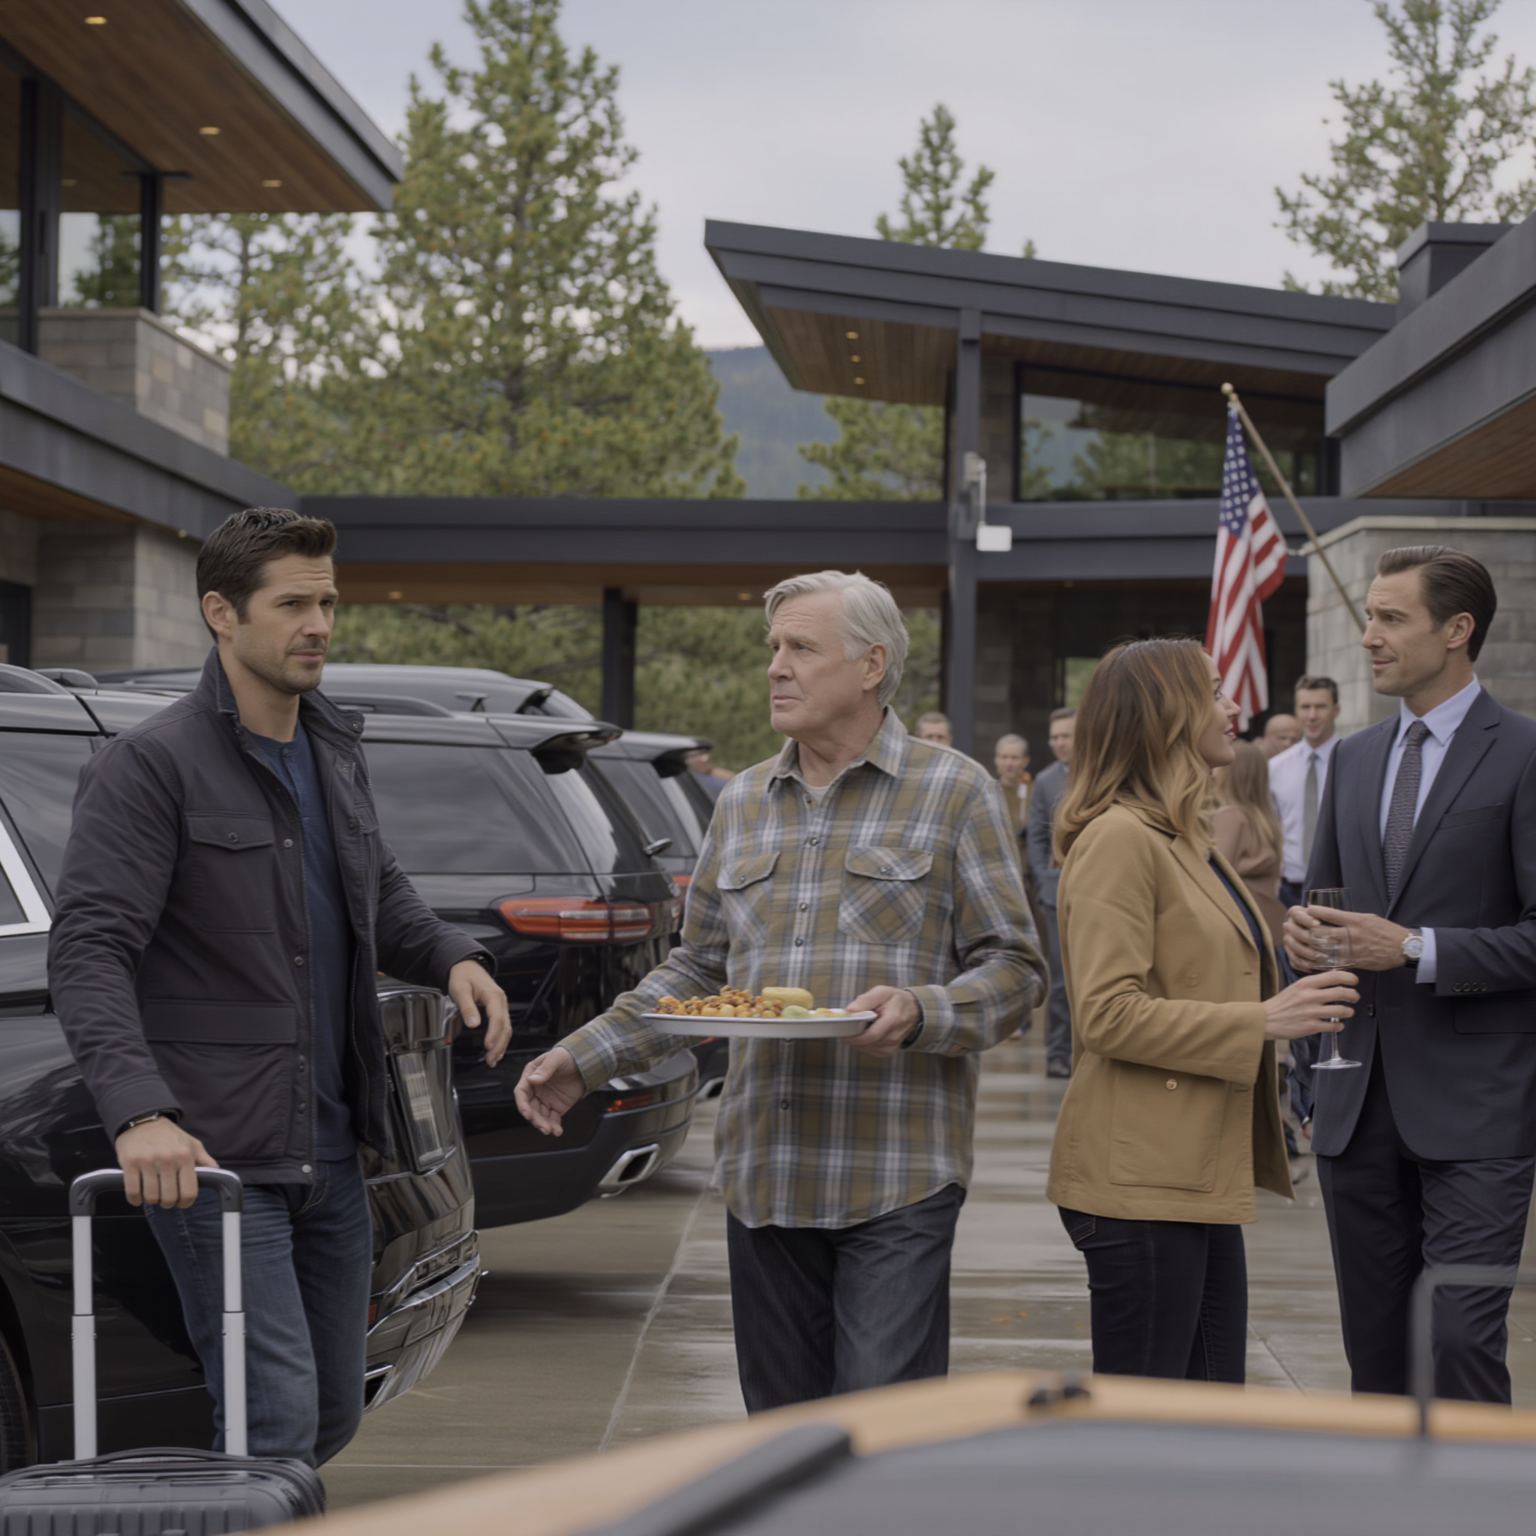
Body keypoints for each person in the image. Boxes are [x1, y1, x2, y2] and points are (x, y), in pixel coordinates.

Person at [514, 570, 1045, 1411]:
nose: (776, 667)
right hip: (766, 1174)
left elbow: (1017, 969)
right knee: (784, 1444)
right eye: (774, 649)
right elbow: (697, 973)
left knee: (878, 1435)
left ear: (871, 667)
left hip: (897, 1172)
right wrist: (583, 1058)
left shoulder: (955, 792)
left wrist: (921, 1012)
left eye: (801, 648)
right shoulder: (744, 802)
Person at [48, 508, 511, 1468]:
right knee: (273, 1424)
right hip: (217, 1158)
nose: (319, 625)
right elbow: (89, 952)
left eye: (329, 603)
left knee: (333, 1410)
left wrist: (451, 955)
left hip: (333, 1152)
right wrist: (140, 1116)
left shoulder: (333, 750)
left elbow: (376, 890)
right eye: (293, 604)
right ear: (222, 613)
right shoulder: (151, 766)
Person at [1047, 638, 1355, 1382]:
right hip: (1141, 1180)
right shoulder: (1121, 839)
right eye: (1216, 691)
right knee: (1149, 1427)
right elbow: (1108, 1015)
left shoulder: (1186, 834)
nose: (1235, 705)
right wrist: (1264, 1020)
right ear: (1165, 714)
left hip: (1192, 1172)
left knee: (1208, 1414)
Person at [1285, 545, 1536, 1405]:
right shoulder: (1354, 759)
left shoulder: (1526, 754)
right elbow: (1330, 906)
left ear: (1457, 630)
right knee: (1377, 1358)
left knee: (1462, 1340)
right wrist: (1306, 938)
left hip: (1478, 1111)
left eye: (1392, 618)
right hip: (1355, 1104)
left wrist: (1418, 948)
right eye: (1369, 618)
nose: (1369, 637)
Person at [1027, 708, 1077, 1077]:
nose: (1061, 742)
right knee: (1060, 976)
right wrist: (1046, 878)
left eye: (1067, 735)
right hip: (1057, 890)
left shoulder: (1102, 771)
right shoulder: (1044, 781)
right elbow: (1036, 838)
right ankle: (1058, 1054)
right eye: (1055, 737)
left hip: (1101, 886)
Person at [1268, 676, 1342, 909]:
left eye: (1320, 707)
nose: (1312, 715)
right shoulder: (1276, 767)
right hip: (1288, 890)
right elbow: (1270, 826)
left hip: (1340, 888)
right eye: (1305, 707)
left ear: (1336, 710)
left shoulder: (1357, 761)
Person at [1213, 741, 1287, 948]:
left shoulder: (1231, 816)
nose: (1212, 772)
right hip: (1269, 925)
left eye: (1219, 766)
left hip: (1245, 930)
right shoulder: (1263, 818)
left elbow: (1213, 881)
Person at [993, 733, 1033, 833]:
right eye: (1004, 757)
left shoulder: (1034, 792)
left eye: (1014, 758)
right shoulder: (988, 791)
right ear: (996, 760)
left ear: (1025, 761)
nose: (1009, 763)